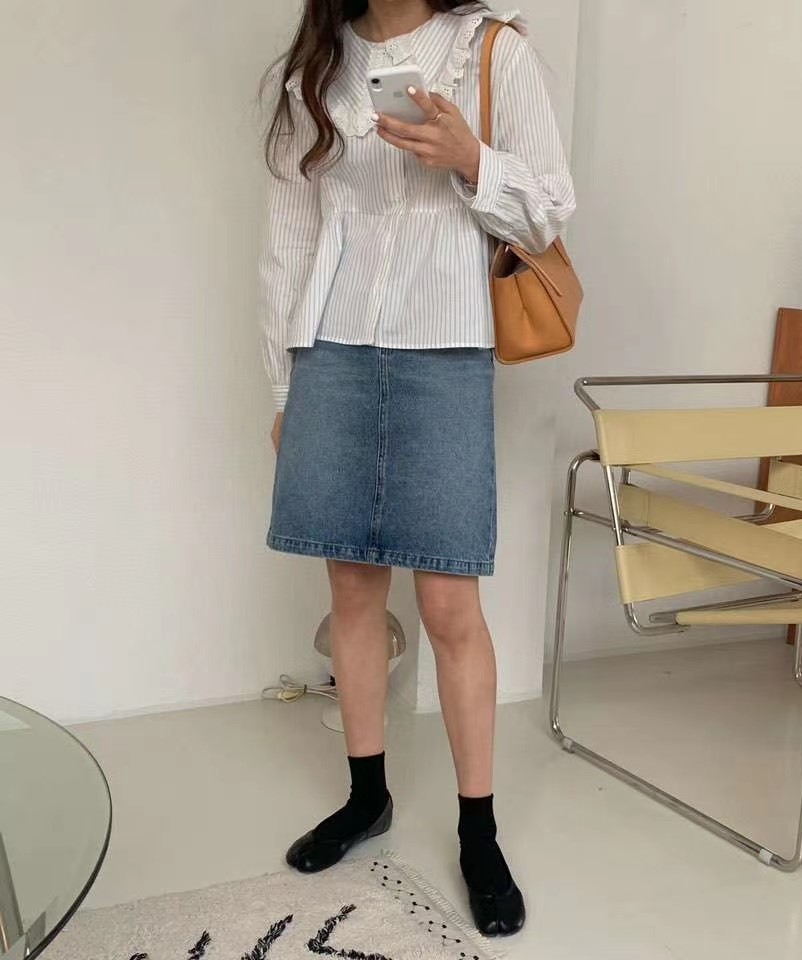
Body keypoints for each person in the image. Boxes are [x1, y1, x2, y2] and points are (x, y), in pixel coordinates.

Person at [259, 0, 574, 937]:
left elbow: (549, 211)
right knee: (353, 591)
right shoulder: (318, 65)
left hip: (446, 351)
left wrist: (471, 158)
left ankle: (478, 831)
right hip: (333, 351)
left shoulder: (493, 50)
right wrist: (282, 385)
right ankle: (368, 797)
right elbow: (287, 235)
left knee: (448, 606)